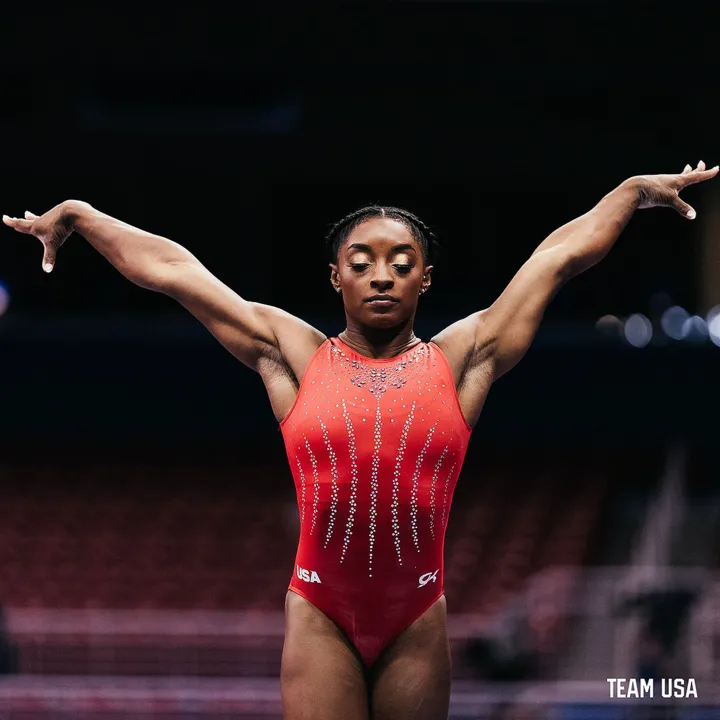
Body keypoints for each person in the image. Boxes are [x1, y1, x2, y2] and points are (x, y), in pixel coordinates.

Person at [3, 161, 717, 719]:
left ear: (426, 279)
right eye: (364, 259)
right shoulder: (294, 355)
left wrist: (629, 193)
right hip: (321, 611)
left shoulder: (462, 359)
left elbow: (556, 259)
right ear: (336, 275)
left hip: (416, 615)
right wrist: (83, 218)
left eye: (402, 262)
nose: (383, 274)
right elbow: (177, 273)